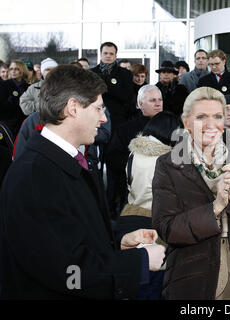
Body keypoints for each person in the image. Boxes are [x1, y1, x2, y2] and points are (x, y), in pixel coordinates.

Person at [0, 65, 166, 299]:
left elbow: (75, 230)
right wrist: (139, 262)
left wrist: (120, 240)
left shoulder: (64, 161)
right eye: (98, 108)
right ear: (73, 108)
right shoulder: (35, 176)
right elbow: (68, 273)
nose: (103, 118)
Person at [152, 87, 230, 300]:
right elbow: (167, 228)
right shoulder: (168, 164)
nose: (211, 125)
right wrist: (216, 207)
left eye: (217, 116)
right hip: (191, 277)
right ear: (186, 122)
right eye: (201, 117)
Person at [115, 111, 179, 300]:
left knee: (136, 276)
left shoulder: (133, 154)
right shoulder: (166, 160)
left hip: (129, 217)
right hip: (153, 222)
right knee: (153, 279)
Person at [104, 85, 165, 218]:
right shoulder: (126, 129)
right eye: (152, 100)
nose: (158, 103)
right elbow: (113, 157)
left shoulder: (172, 126)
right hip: (133, 193)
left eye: (160, 100)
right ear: (140, 104)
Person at [90, 42, 135, 132]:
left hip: (118, 119)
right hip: (95, 117)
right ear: (101, 54)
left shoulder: (125, 73)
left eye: (111, 54)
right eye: (105, 53)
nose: (108, 56)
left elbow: (128, 96)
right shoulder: (91, 73)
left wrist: (106, 84)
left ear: (115, 56)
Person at [197, 49, 230, 117]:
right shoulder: (203, 81)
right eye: (211, 64)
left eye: (217, 64)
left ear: (224, 61)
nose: (214, 67)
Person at [0, 60, 29, 137]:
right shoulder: (3, 85)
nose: (13, 71)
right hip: (8, 124)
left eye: (16, 69)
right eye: (11, 69)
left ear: (22, 70)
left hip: (24, 123)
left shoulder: (28, 87)